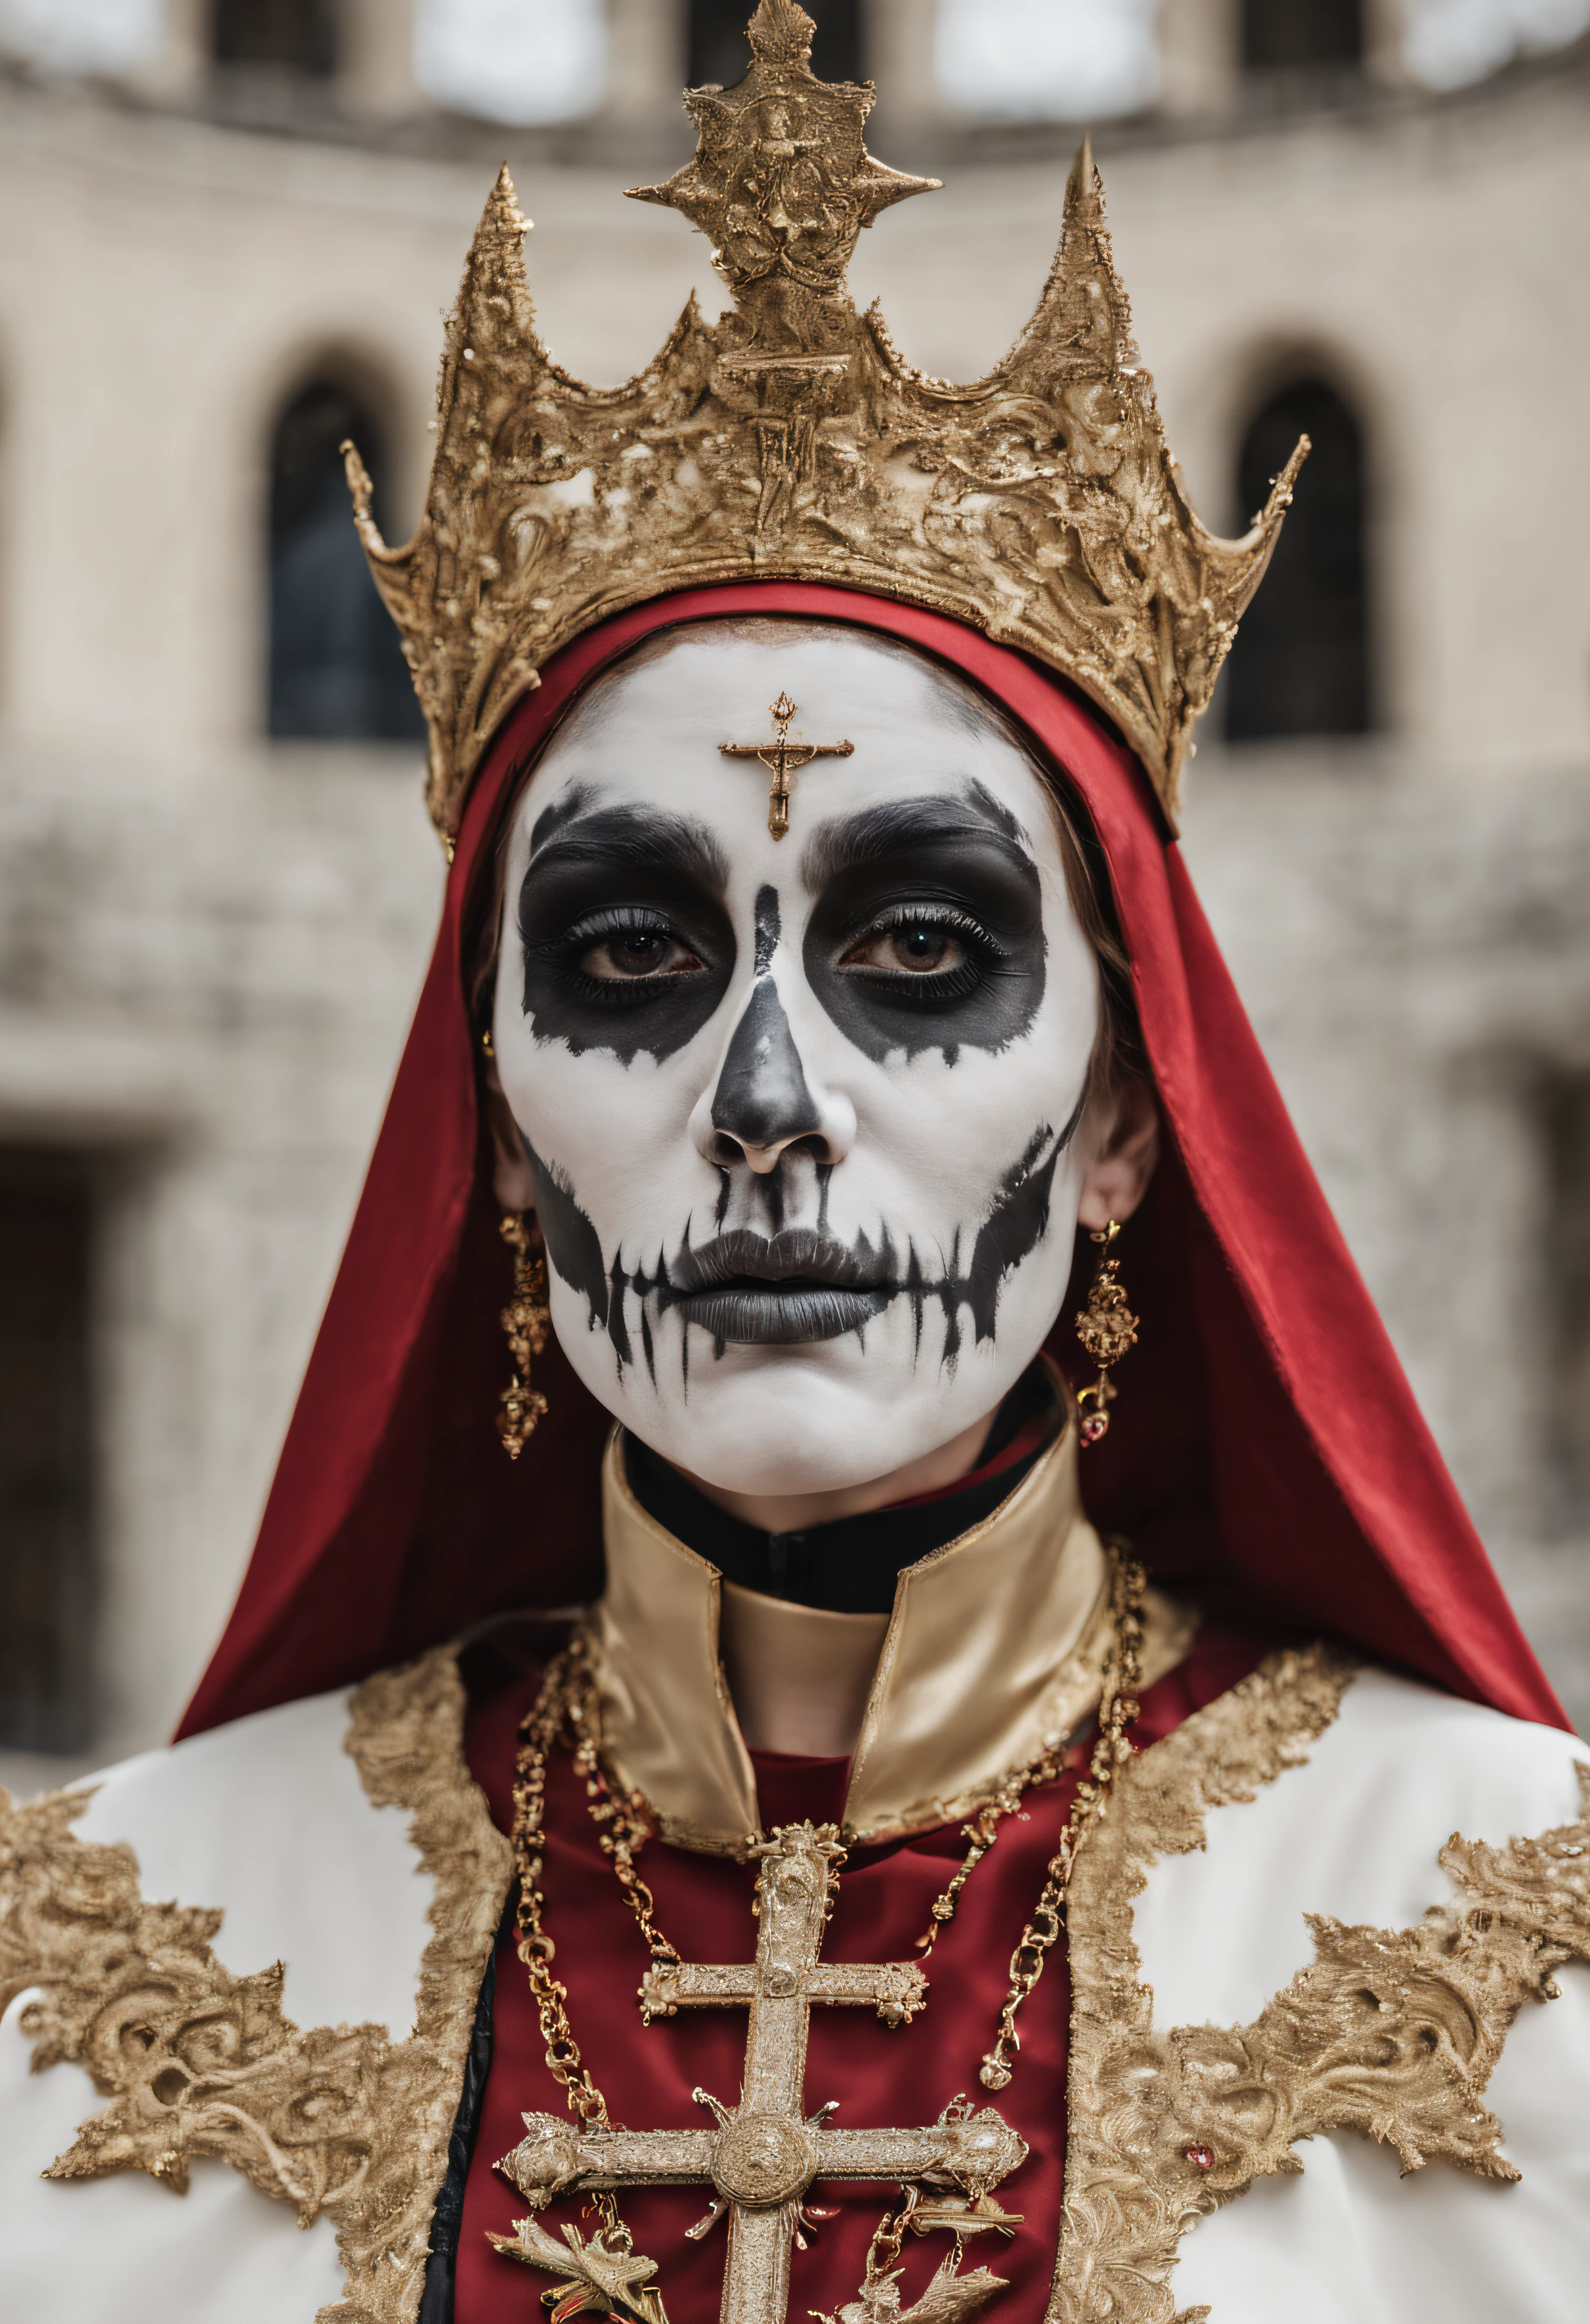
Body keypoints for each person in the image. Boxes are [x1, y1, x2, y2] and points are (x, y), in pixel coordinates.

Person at [3, 9, 1586, 2323]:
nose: (767, 1100)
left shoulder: (1526, 1946)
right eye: (632, 954)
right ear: (501, 1134)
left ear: (1131, 1115)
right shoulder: (106, 1965)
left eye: (923, 947)